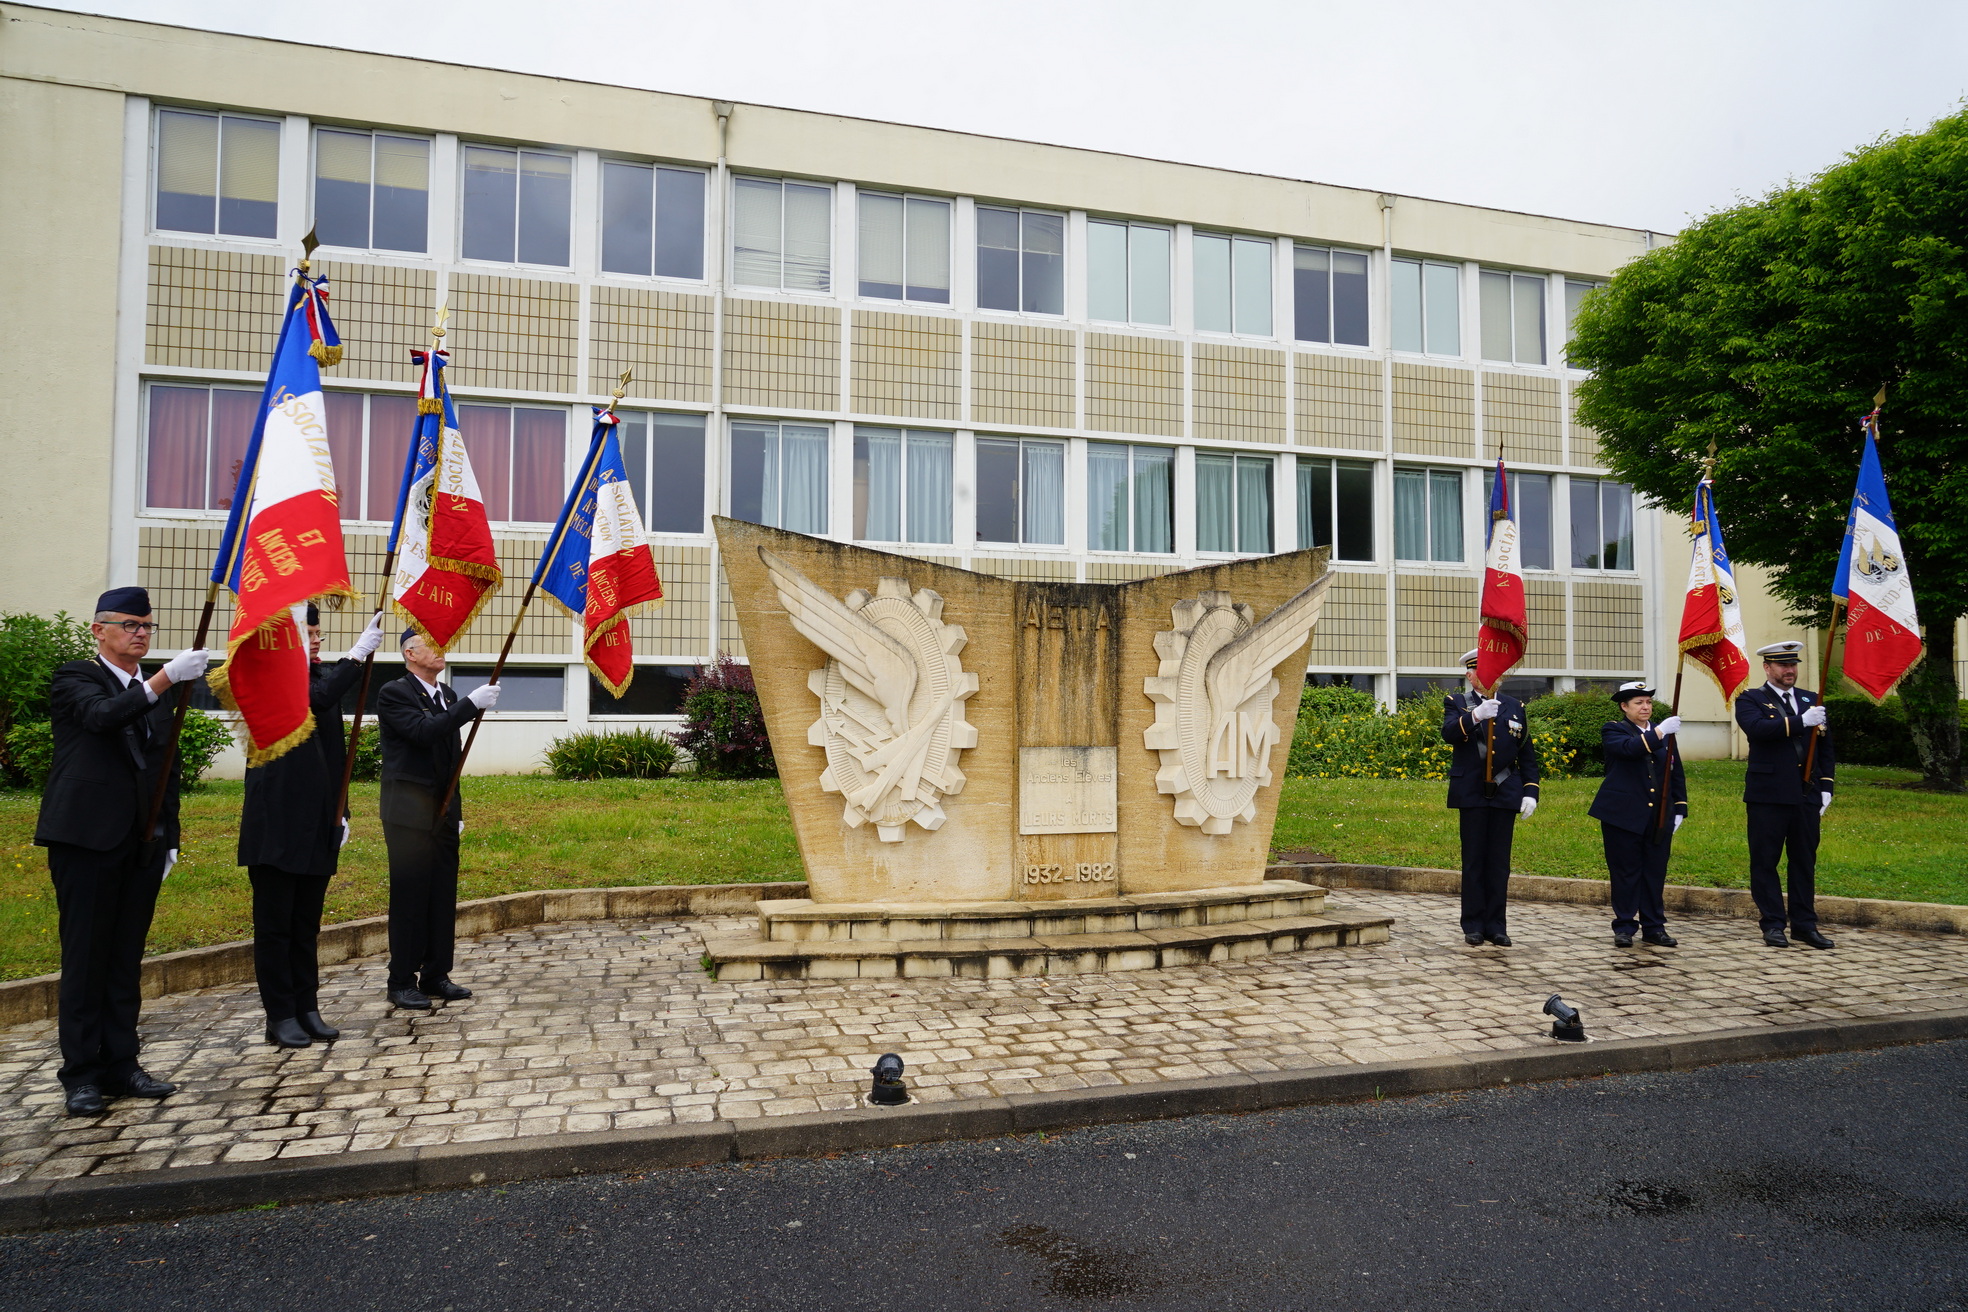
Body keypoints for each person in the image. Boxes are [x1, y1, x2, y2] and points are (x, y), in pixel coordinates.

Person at [33, 588, 211, 1116]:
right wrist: (163, 680)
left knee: (124, 959)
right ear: (99, 630)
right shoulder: (77, 677)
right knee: (86, 958)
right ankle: (80, 1074)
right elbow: (102, 718)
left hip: (141, 842)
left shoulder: (153, 690)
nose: (139, 633)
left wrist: (169, 836)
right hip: (86, 839)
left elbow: (165, 769)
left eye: (146, 626)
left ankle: (121, 1062)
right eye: (129, 624)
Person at [238, 604, 385, 1048]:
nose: (317, 639)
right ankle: (279, 1014)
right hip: (277, 824)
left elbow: (333, 757)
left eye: (319, 632)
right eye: (309, 633)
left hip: (318, 820)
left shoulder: (317, 676)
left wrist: (342, 812)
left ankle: (307, 1006)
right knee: (276, 925)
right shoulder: (268, 675)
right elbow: (313, 698)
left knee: (306, 925)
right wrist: (358, 654)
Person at [377, 629, 498, 1009]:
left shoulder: (444, 695)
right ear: (410, 653)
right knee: (411, 896)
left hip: (442, 813)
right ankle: (401, 980)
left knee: (442, 894)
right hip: (409, 815)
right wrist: (469, 706)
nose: (441, 647)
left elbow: (452, 761)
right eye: (432, 642)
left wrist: (456, 812)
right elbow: (423, 732)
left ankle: (435, 974)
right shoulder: (394, 693)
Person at [1734, 640, 1836, 949]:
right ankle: (1773, 923)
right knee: (1765, 861)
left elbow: (1826, 747)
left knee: (1804, 861)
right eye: (1782, 665)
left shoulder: (1810, 699)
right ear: (1767, 667)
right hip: (1768, 795)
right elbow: (1757, 730)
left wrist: (1827, 786)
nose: (1789, 670)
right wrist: (1798, 722)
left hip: (1806, 794)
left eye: (1793, 665)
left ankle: (1805, 925)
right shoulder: (1750, 699)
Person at [1440, 650, 1541, 947]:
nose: (1487, 679)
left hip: (1505, 790)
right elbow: (1448, 734)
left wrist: (1531, 791)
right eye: (1480, 674)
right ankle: (1472, 924)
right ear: (1470, 676)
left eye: (1493, 673)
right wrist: (1475, 716)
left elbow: (1526, 754)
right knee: (1473, 861)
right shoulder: (1457, 703)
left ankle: (1497, 925)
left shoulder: (1515, 707)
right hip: (1471, 791)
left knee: (1499, 863)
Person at [1588, 681, 1687, 948]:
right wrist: (1659, 732)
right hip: (1623, 814)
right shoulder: (1614, 729)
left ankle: (1654, 927)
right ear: (1624, 707)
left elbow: (1674, 771)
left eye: (1648, 702)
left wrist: (1680, 807)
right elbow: (1628, 749)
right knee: (1625, 872)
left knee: (1654, 872)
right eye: (1639, 703)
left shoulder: (1665, 734)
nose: (1646, 707)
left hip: (1658, 813)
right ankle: (1624, 926)